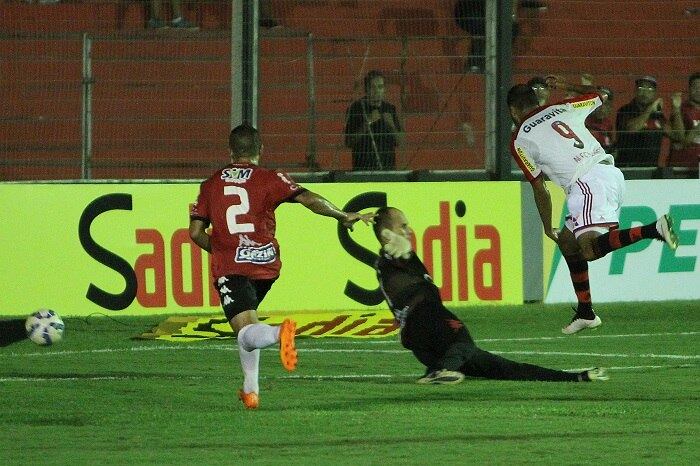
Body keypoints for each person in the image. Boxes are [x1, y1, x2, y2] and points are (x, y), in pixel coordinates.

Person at [189, 124, 374, 409]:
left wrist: (224, 250)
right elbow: (309, 199)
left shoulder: (211, 184)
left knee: (245, 332)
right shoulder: (270, 177)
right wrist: (342, 215)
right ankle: (251, 390)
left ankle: (278, 333)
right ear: (260, 150)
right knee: (248, 324)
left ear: (230, 150)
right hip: (266, 266)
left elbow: (195, 232)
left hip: (232, 267)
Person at [508, 77, 679, 334]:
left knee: (588, 250)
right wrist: (568, 86)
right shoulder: (564, 107)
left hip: (586, 182)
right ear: (536, 100)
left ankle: (654, 229)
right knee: (568, 243)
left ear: (512, 111)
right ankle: (586, 313)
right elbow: (602, 95)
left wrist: (546, 225)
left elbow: (539, 187)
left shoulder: (519, 139)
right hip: (607, 173)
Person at [373, 207, 608, 384]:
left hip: (424, 342)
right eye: (402, 226)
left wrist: (404, 253)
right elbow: (393, 256)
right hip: (427, 319)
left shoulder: (397, 261)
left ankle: (574, 378)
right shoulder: (388, 259)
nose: (408, 230)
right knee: (463, 343)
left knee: (501, 367)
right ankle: (440, 371)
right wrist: (393, 248)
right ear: (387, 233)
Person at [615, 75, 684, 167]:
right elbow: (631, 128)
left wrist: (676, 109)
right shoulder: (625, 110)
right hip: (627, 168)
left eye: (650, 89)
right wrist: (650, 109)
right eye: (641, 88)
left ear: (655, 94)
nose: (645, 92)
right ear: (635, 91)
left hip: (651, 168)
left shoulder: (658, 116)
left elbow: (678, 136)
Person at [344, 70, 403, 170]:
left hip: (387, 169)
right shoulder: (356, 108)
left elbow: (400, 142)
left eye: (380, 87)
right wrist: (367, 123)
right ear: (366, 89)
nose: (377, 91)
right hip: (362, 169)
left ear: (384, 89)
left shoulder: (390, 109)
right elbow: (349, 142)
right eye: (372, 87)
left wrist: (392, 125)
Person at [668, 72, 700, 168]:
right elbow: (679, 138)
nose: (698, 90)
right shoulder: (680, 110)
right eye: (695, 87)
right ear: (689, 89)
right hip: (682, 165)